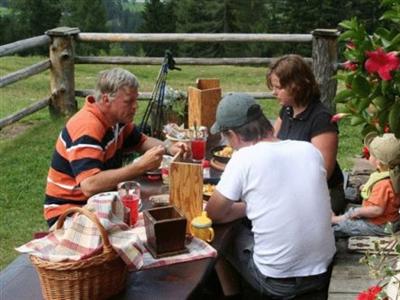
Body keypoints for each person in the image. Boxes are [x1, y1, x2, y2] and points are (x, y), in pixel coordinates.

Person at [206, 93, 336, 299]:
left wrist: (248, 206)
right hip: (321, 272)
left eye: (225, 137)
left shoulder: (243, 158)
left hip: (277, 282)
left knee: (218, 236)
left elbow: (213, 213)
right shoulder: (309, 150)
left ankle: (232, 295)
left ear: (233, 134)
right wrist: (257, 204)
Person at [44, 68, 188, 227]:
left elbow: (141, 141)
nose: (135, 107)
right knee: (152, 224)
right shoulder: (88, 127)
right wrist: (139, 167)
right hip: (69, 215)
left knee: (157, 212)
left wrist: (169, 147)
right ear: (106, 100)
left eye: (136, 100)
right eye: (128, 101)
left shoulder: (116, 121)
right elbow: (90, 185)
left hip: (99, 204)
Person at [266, 54, 346, 215]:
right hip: (289, 187)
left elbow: (322, 174)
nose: (274, 93)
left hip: (322, 194)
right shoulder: (287, 110)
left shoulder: (321, 119)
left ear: (297, 86)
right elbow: (271, 145)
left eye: (278, 87)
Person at [332, 133, 400, 237]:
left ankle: (336, 221)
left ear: (378, 162)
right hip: (390, 220)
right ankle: (342, 218)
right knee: (353, 216)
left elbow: (377, 210)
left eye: (371, 155)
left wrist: (356, 212)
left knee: (345, 226)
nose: (368, 157)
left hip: (380, 225)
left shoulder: (383, 184)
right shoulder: (393, 175)